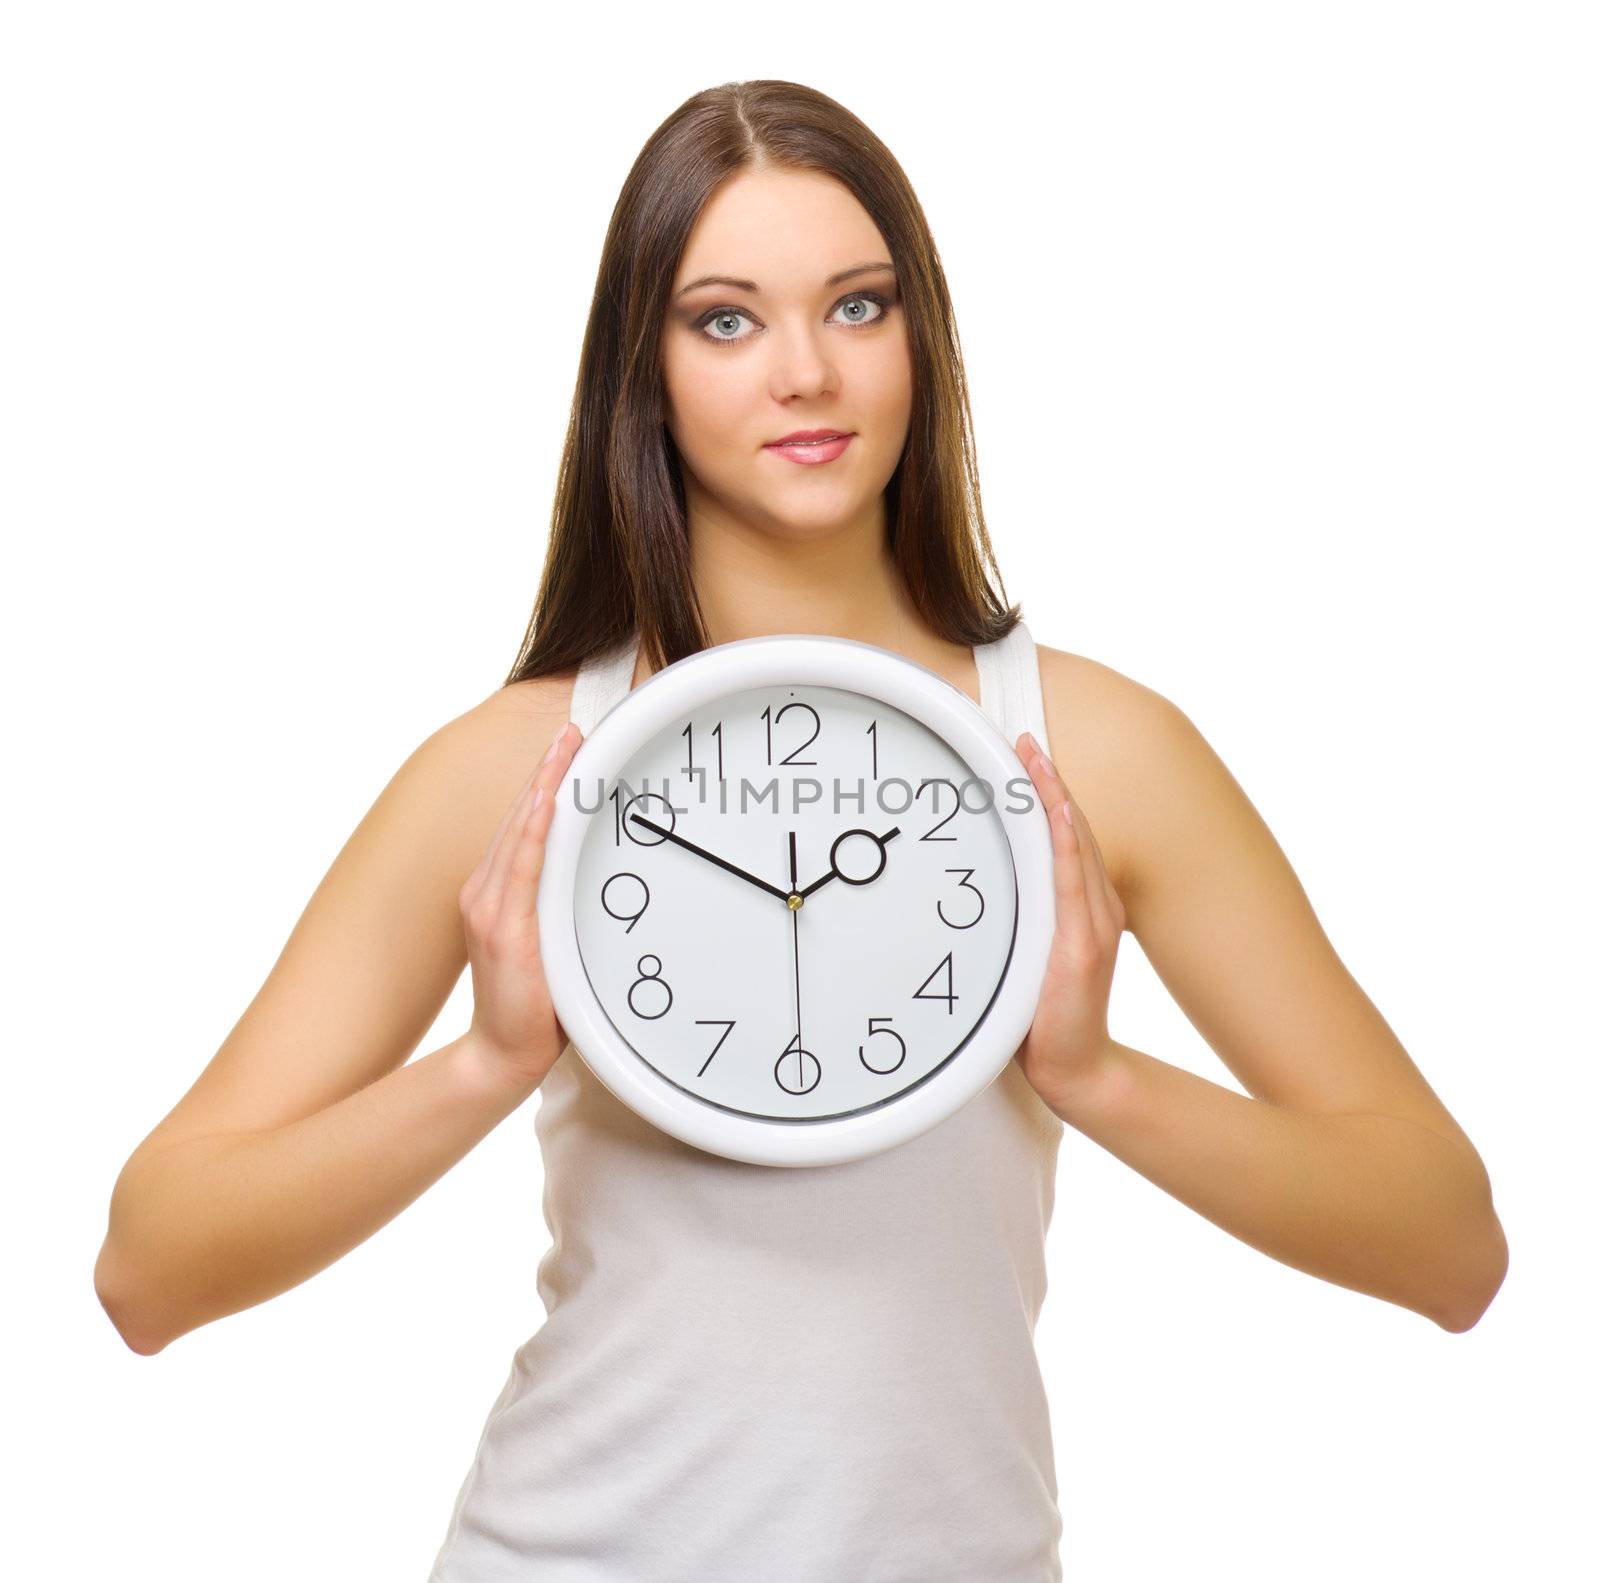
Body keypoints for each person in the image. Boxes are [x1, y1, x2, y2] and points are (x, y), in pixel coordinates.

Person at [94, 79, 1509, 1580]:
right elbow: (149, 1269)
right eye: (726, 319)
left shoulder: (1092, 754)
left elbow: (1450, 1247)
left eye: (856, 306)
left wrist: (1094, 1074)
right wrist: (490, 1061)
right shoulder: (521, 769)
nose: (804, 375)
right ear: (641, 369)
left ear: (921, 343)